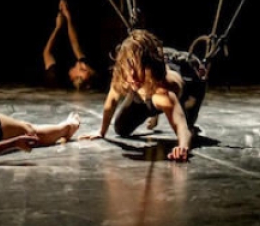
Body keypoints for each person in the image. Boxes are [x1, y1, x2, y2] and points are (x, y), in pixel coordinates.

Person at [80, 28, 208, 162]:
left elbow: (182, 127)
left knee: (189, 131)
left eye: (137, 68)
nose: (132, 75)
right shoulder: (125, 77)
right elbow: (112, 100)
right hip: (147, 91)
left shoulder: (164, 92)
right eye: (129, 69)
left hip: (190, 87)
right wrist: (101, 132)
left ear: (148, 68)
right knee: (121, 129)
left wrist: (182, 147)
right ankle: (153, 110)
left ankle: (159, 111)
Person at [42, 0, 97, 90]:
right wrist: (68, 17)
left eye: (82, 69)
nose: (83, 65)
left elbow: (46, 53)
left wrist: (57, 28)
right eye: (86, 67)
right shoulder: (81, 64)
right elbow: (75, 44)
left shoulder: (56, 76)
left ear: (74, 78)